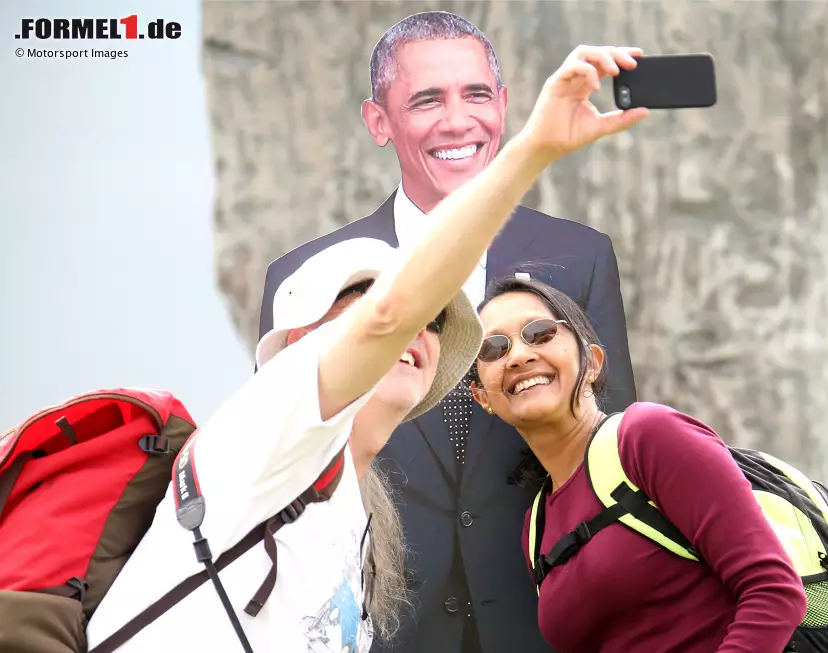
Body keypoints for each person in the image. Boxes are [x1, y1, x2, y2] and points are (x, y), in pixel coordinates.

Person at [85, 43, 651, 653]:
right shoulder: (263, 434)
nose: (417, 330)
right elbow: (390, 317)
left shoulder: (349, 520)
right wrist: (534, 150)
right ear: (299, 344)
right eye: (360, 298)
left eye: (438, 321)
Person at [257, 12, 638, 652]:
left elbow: (611, 440)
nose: (458, 120)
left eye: (477, 94)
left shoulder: (583, 256)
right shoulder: (305, 279)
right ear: (379, 121)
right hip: (380, 624)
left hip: (546, 620)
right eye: (427, 99)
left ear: (507, 106)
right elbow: (289, 465)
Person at [469, 277, 810, 653]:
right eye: (494, 348)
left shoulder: (647, 437)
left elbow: (774, 590)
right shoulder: (537, 529)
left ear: (593, 362)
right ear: (483, 396)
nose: (518, 355)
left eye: (540, 333)